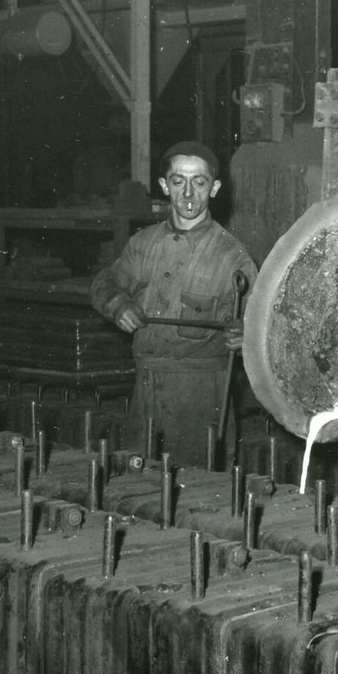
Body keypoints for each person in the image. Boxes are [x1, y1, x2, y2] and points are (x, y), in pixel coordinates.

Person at [91, 141, 257, 466]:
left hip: (200, 402)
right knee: (140, 490)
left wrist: (246, 336)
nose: (189, 193)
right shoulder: (143, 245)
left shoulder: (232, 257)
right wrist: (118, 304)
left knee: (194, 496)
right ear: (165, 186)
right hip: (146, 393)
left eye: (200, 182)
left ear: (215, 188)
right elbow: (103, 283)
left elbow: (265, 326)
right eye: (179, 181)